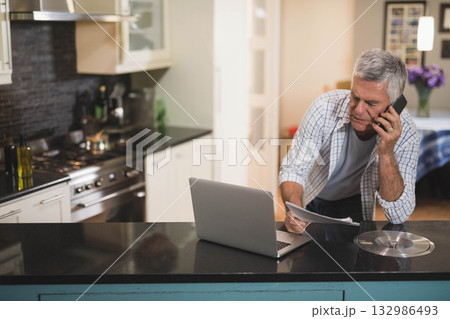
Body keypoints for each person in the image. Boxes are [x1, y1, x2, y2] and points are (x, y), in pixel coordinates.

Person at [279, 48, 420, 234]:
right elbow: (294, 169)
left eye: (371, 103)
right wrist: (294, 209)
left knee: (356, 262)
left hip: (357, 203)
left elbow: (398, 215)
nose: (358, 110)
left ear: (395, 101)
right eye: (355, 97)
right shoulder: (323, 108)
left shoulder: (408, 134)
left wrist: (386, 152)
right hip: (310, 199)